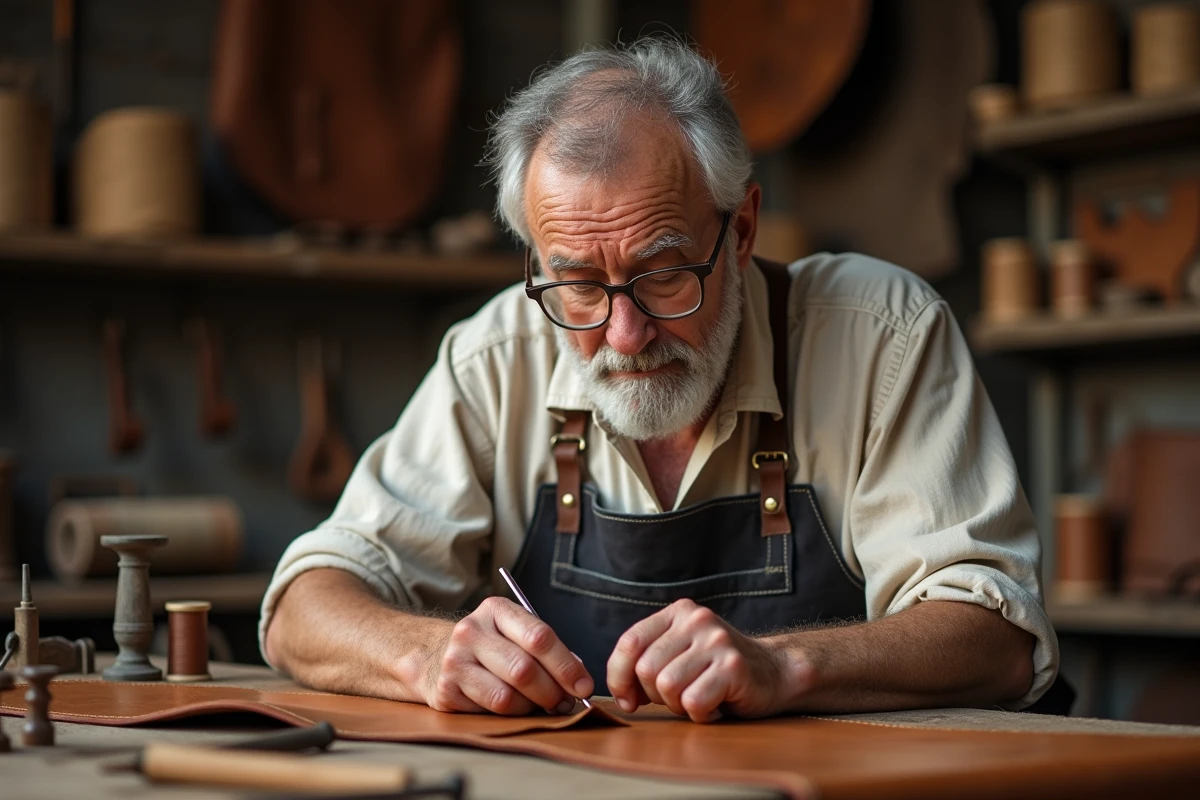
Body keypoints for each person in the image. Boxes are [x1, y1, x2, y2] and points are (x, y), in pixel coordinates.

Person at [261, 38, 1058, 723]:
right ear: (537, 261)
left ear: (740, 230)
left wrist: (786, 667)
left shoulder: (881, 334)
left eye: (664, 273)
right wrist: (424, 654)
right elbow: (305, 607)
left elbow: (997, 640)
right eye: (577, 285)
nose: (624, 334)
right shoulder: (497, 352)